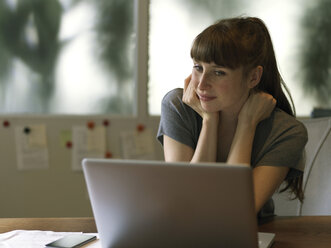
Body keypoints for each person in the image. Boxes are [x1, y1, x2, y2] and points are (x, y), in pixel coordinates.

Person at [157, 16, 308, 218]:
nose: (201, 85)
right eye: (198, 67)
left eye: (218, 72)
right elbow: (185, 201)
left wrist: (247, 125)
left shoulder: (286, 132)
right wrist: (209, 121)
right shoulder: (178, 106)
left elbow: (235, 212)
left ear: (253, 77)